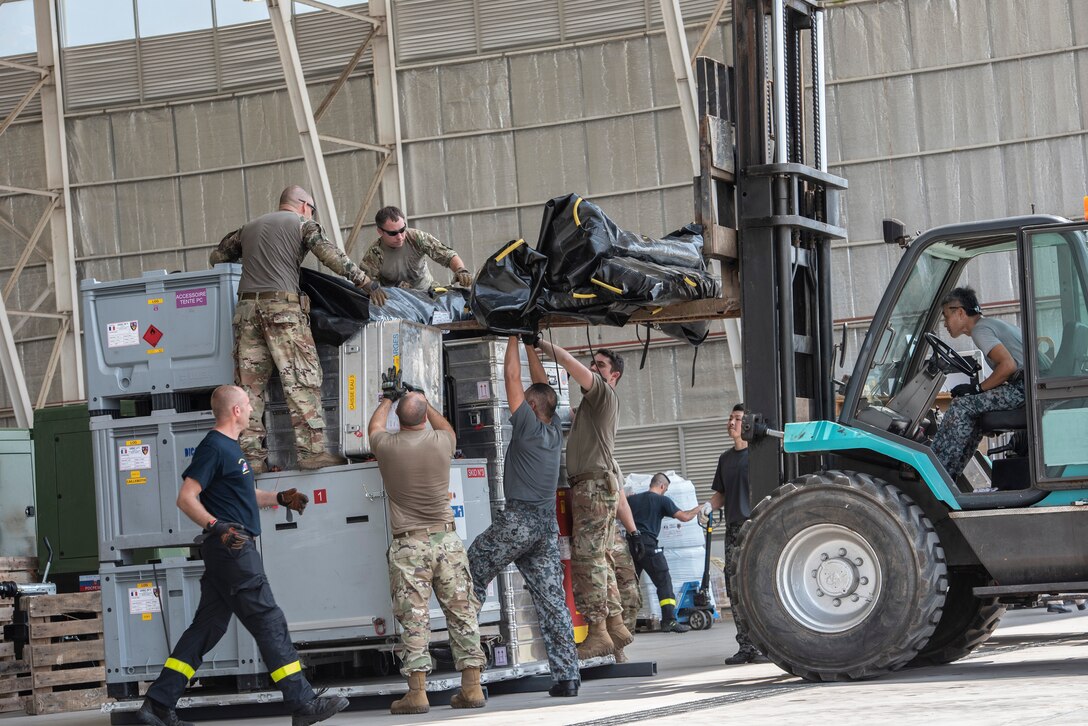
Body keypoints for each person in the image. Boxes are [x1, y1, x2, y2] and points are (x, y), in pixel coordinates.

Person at [136, 385, 348, 726]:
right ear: (235, 411)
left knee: (208, 627)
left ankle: (159, 703)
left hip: (227, 548)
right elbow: (186, 498)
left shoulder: (230, 450)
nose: (252, 410)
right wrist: (217, 526)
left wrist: (279, 500)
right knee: (269, 620)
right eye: (248, 405)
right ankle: (302, 702)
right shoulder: (215, 447)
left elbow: (244, 493)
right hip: (231, 546)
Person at [210, 185, 385, 474]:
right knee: (302, 379)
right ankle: (311, 451)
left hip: (246, 312)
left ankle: (251, 458)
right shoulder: (303, 224)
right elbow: (331, 256)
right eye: (312, 208)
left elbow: (217, 257)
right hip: (283, 311)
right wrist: (365, 282)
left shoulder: (247, 228)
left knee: (249, 388)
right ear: (303, 205)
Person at [466, 336, 580, 698]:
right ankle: (567, 677)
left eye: (525, 402)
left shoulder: (528, 426)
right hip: (545, 527)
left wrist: (511, 337)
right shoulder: (553, 429)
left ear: (530, 407)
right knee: (552, 601)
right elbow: (541, 385)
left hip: (518, 522)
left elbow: (512, 380)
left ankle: (470, 671)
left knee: (469, 575)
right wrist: (532, 344)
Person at [367, 385, 486, 714]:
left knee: (415, 620)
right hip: (447, 541)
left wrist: (388, 398)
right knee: (462, 614)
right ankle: (472, 688)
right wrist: (423, 398)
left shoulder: (387, 446)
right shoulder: (443, 442)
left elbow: (373, 428)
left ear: (399, 420)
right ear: (423, 416)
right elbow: (444, 425)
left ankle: (417, 693)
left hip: (409, 545)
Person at [534, 340, 639, 660]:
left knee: (588, 560)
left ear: (614, 376)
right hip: (592, 487)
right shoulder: (591, 408)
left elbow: (567, 360)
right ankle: (615, 624)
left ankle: (597, 632)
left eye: (600, 365)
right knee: (600, 559)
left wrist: (537, 342)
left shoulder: (604, 394)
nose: (593, 368)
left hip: (592, 488)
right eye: (593, 364)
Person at [930, 287, 1025, 480]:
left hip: (1024, 389)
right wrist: (976, 390)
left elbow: (1008, 365)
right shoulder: (990, 324)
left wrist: (976, 388)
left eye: (946, 317)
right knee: (974, 415)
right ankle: (950, 478)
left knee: (960, 406)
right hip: (1027, 386)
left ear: (960, 312)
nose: (945, 324)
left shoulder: (980, 330)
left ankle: (936, 473)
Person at [708, 403, 762, 664]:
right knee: (735, 589)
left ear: (748, 424)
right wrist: (706, 506)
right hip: (733, 529)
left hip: (756, 526)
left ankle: (765, 644)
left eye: (737, 419)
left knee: (757, 585)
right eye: (730, 418)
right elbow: (721, 495)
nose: (731, 423)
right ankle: (746, 646)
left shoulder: (758, 456)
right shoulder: (725, 459)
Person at [627, 473, 701, 633]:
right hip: (648, 546)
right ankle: (669, 621)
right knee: (664, 581)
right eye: (665, 489)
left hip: (631, 545)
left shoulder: (632, 500)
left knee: (629, 584)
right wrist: (701, 508)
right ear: (662, 486)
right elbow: (685, 517)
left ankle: (626, 625)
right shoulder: (662, 500)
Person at [359, 206, 473, 292]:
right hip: (398, 300)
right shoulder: (374, 255)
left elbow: (447, 254)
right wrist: (392, 289)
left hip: (427, 291)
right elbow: (366, 285)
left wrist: (460, 269)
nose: (400, 237)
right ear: (380, 231)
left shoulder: (416, 238)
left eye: (402, 230)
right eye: (393, 233)